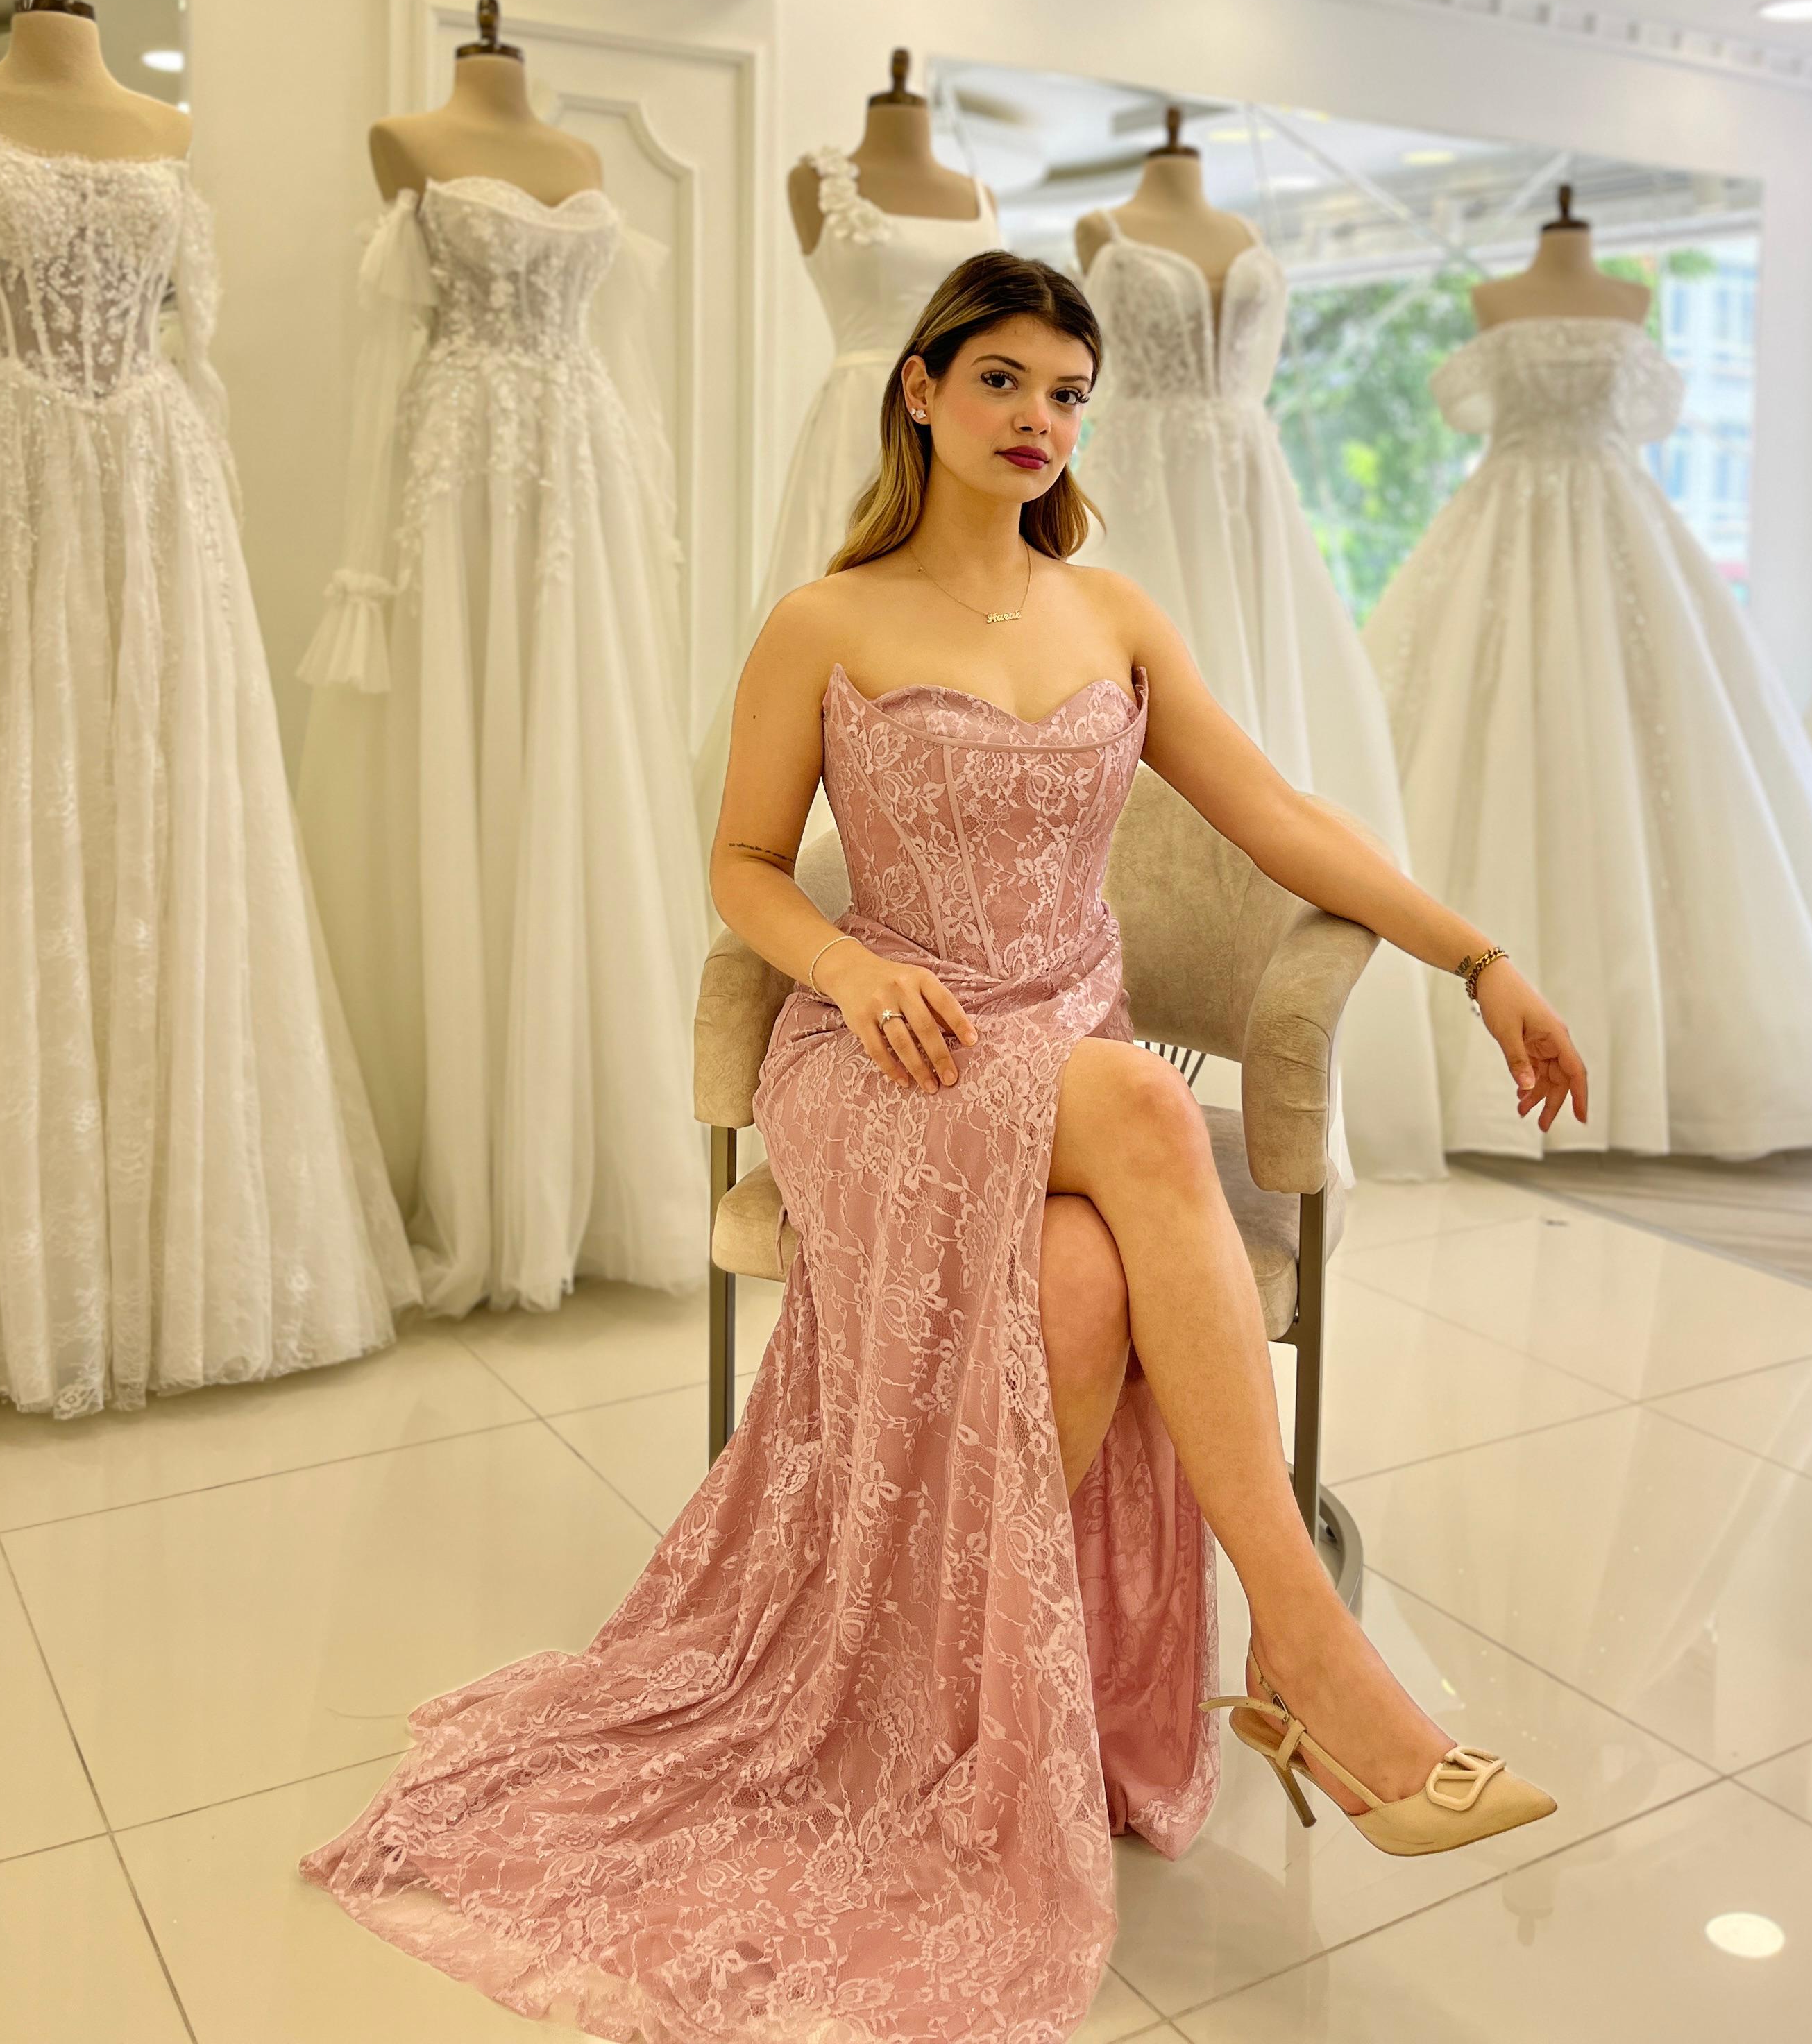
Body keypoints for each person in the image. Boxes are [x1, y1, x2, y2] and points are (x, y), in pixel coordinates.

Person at [303, 250, 1583, 2044]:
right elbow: (746, 865)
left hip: (1061, 1057)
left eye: (1067, 394)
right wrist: (842, 965)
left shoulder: (1113, 615)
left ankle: (957, 1697)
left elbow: (1282, 819)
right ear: (920, 389)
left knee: (1084, 1282)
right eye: (1001, 381)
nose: (1038, 421)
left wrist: (1481, 961)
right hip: (885, 1056)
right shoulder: (823, 624)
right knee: (1146, 1105)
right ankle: (1304, 1647)